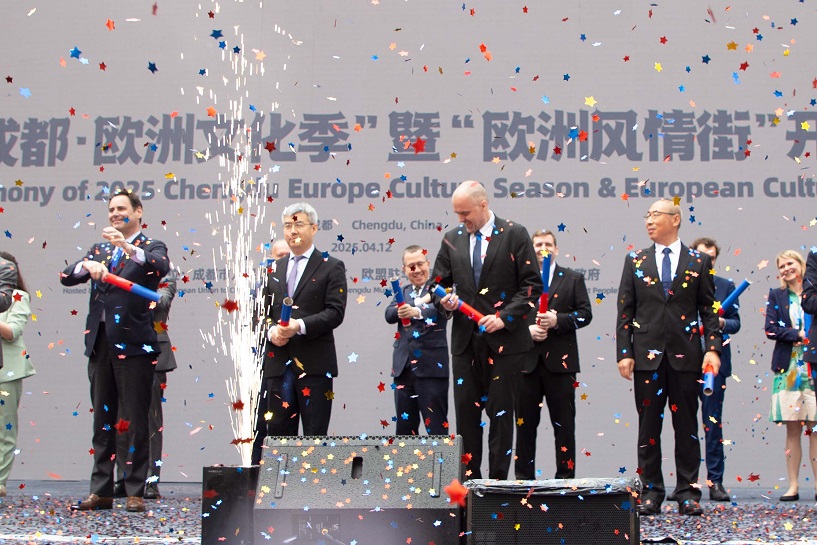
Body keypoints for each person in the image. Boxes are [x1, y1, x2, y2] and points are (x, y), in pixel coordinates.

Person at [61, 189, 170, 513]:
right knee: (103, 420)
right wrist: (87, 264)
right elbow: (67, 276)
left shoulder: (151, 246)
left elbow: (159, 267)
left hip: (135, 345)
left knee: (135, 419)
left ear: (138, 212)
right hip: (101, 344)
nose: (114, 214)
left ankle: (135, 489)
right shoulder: (100, 249)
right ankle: (101, 490)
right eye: (111, 209)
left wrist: (128, 248)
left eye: (121, 208)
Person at [616, 199, 721, 517]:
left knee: (687, 425)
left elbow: (709, 309)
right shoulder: (635, 259)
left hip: (686, 356)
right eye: (647, 215)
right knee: (648, 427)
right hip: (646, 357)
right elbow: (625, 310)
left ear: (675, 220)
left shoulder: (699, 260)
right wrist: (624, 352)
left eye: (656, 215)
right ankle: (651, 491)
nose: (649, 220)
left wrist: (712, 348)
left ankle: (687, 492)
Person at [432, 180, 541, 479]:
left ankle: (497, 485)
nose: (461, 219)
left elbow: (531, 286)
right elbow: (436, 285)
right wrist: (445, 301)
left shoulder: (515, 234)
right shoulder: (452, 238)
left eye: (465, 213)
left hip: (506, 343)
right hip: (465, 343)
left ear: (483, 204)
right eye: (457, 213)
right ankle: (469, 484)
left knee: (502, 416)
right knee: (466, 417)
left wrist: (504, 317)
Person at [262, 204, 347, 437]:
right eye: (287, 226)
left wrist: (298, 326)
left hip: (315, 366)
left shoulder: (331, 266)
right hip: (279, 365)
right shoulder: (272, 269)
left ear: (314, 228)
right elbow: (261, 313)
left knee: (314, 438)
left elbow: (335, 312)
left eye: (298, 224)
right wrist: (272, 331)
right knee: (278, 437)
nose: (292, 231)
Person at [515, 230, 592, 480]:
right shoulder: (519, 280)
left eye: (548, 244)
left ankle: (566, 481)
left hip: (561, 365)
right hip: (525, 365)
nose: (543, 248)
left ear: (556, 249)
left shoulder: (573, 278)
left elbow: (585, 315)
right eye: (538, 244)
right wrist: (527, 331)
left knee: (565, 427)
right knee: (524, 428)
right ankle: (523, 483)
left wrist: (558, 320)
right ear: (531, 249)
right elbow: (508, 316)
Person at [685, 238, 740, 502]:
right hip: (684, 364)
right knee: (685, 425)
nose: (707, 262)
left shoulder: (726, 286)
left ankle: (715, 482)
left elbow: (735, 323)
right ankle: (687, 484)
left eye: (712, 257)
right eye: (702, 257)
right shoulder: (681, 285)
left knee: (712, 424)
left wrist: (720, 322)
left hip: (715, 366)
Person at [114, 274, 177, 499]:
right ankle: (124, 478)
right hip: (121, 351)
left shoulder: (164, 274)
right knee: (122, 419)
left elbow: (160, 301)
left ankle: (150, 480)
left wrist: (129, 289)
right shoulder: (119, 270)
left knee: (151, 422)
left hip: (152, 353)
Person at [766, 250, 817, 502]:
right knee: (793, 429)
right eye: (782, 266)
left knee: (815, 428)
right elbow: (770, 329)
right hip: (788, 370)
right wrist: (796, 334)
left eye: (790, 263)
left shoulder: (813, 293)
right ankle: (793, 485)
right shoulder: (777, 295)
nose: (786, 269)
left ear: (801, 264)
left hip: (813, 367)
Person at [385, 245, 449, 435]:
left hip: (431, 369)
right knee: (404, 432)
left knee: (436, 429)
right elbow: (389, 314)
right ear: (404, 269)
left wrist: (415, 310)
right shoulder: (402, 292)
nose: (417, 270)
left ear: (428, 264)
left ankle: (439, 458)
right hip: (403, 369)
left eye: (420, 264)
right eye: (411, 266)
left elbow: (439, 311)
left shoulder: (438, 289)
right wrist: (409, 306)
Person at [251, 238, 290, 465]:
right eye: (279, 256)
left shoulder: (303, 282)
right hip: (269, 363)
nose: (284, 260)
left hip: (300, 365)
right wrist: (271, 330)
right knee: (263, 423)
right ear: (271, 259)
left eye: (288, 255)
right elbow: (257, 315)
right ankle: (258, 472)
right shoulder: (264, 282)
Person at [0, 252, 34, 498]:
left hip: (7, 372)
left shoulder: (18, 296)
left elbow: (12, 331)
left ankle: (0, 480)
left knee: (4, 429)